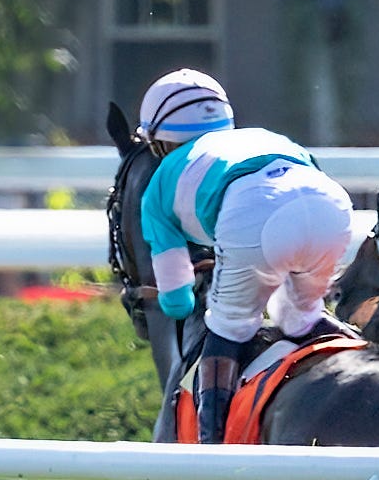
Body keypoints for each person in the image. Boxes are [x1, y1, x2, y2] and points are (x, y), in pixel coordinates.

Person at [137, 68, 356, 445]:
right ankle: (365, 346)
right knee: (299, 317)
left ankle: (213, 451)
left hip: (253, 214)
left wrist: (193, 297)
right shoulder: (266, 137)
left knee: (228, 327)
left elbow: (176, 301)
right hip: (333, 208)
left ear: (159, 144)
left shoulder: (160, 181)